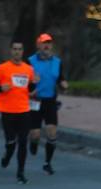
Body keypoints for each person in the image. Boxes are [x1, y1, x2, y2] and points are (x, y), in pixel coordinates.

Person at [0, 40, 35, 184]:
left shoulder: (28, 69)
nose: (17, 51)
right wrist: (0, 88)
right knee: (11, 141)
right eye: (15, 49)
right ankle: (7, 155)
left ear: (23, 51)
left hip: (23, 109)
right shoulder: (3, 68)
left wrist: (34, 86)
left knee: (23, 142)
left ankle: (20, 173)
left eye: (20, 49)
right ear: (11, 51)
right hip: (7, 110)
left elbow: (29, 87)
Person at [26, 34, 66, 175]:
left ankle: (47, 163)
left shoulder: (57, 62)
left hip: (50, 101)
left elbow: (60, 78)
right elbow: (24, 80)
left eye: (49, 43)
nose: (46, 46)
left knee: (51, 132)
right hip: (35, 101)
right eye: (44, 43)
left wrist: (63, 84)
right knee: (35, 134)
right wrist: (30, 86)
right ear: (38, 45)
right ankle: (34, 142)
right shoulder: (30, 61)